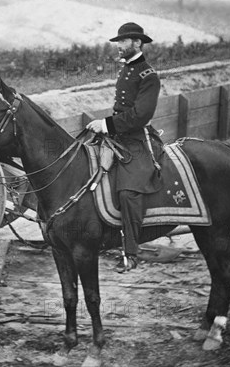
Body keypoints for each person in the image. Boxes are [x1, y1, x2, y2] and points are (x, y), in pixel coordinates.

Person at [86, 22, 161, 273]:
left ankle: (131, 252)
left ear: (137, 43)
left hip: (137, 139)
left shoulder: (148, 75)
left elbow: (140, 115)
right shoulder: (126, 70)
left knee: (129, 192)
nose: (118, 46)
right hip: (118, 135)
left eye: (123, 41)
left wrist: (106, 124)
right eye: (118, 42)